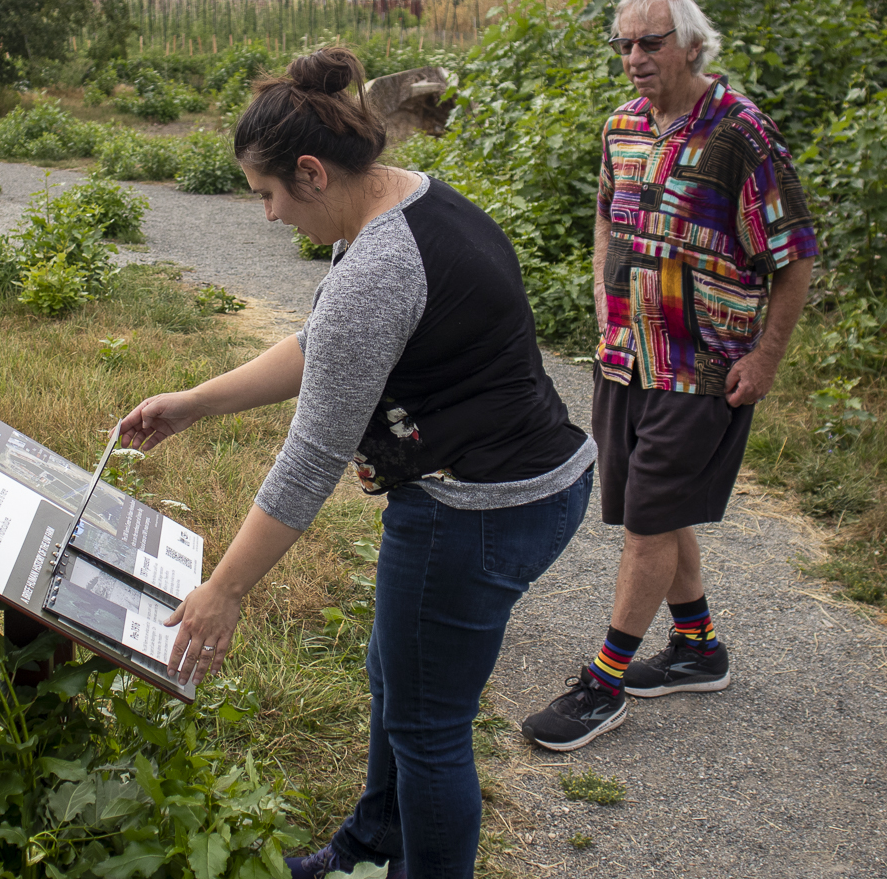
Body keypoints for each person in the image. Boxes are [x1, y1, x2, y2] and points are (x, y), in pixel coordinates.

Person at [119, 47, 596, 879]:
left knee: (429, 730)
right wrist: (195, 401)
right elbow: (322, 347)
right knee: (394, 672)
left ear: (310, 172)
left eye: (266, 195)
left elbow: (311, 457)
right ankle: (369, 846)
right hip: (528, 479)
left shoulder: (377, 267)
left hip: (476, 511)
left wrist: (223, 592)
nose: (267, 217)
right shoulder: (404, 200)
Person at [520, 0, 819, 751]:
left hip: (703, 365)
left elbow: (795, 257)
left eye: (650, 43)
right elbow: (604, 215)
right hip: (625, 357)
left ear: (691, 44)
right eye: (624, 44)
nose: (634, 58)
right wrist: (599, 298)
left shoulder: (741, 135)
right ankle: (697, 648)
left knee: (648, 522)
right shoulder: (621, 126)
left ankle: (604, 683)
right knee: (655, 507)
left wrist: (766, 356)